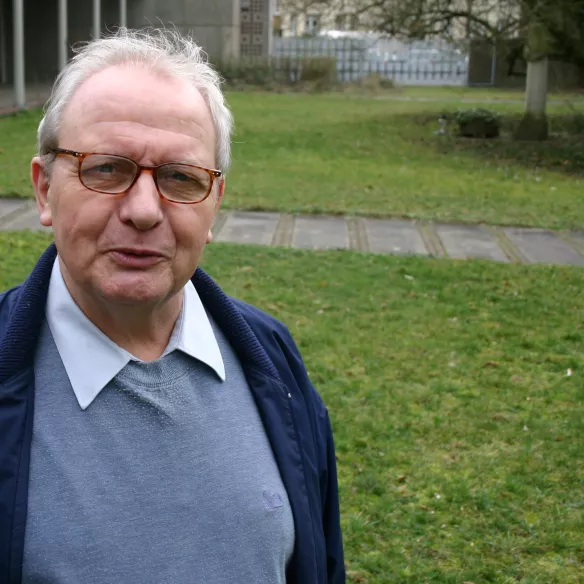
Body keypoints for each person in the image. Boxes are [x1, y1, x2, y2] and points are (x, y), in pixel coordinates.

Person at [0, 28, 344, 584]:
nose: (143, 210)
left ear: (214, 204)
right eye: (105, 168)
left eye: (181, 177)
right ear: (44, 190)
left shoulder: (272, 358)